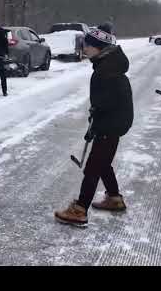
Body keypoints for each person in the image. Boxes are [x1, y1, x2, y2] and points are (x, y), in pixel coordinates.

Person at [54, 24, 134, 226]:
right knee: (102, 162)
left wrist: (97, 123)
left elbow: (104, 104)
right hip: (115, 122)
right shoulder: (109, 63)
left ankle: (80, 209)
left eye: (88, 45)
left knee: (92, 167)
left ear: (99, 47)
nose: (85, 48)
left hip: (112, 124)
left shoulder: (105, 71)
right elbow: (105, 103)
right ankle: (114, 199)